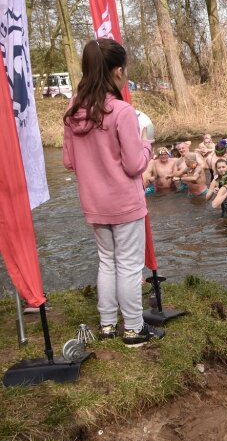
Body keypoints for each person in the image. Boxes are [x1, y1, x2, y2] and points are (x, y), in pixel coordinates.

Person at [62, 38, 164, 346]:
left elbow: (68, 161)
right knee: (130, 265)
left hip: (93, 201)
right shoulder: (121, 111)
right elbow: (135, 165)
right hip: (124, 200)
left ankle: (107, 325)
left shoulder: (73, 109)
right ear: (118, 71)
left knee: (107, 261)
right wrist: (146, 142)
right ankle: (133, 329)